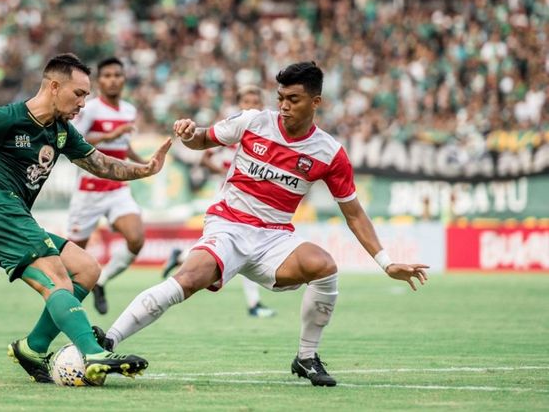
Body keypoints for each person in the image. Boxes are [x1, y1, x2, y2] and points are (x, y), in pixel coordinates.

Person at [96, 62, 428, 387]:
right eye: (280, 98)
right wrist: (188, 133)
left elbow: (353, 212)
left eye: (293, 100)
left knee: (324, 267)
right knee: (188, 278)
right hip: (229, 224)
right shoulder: (252, 121)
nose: (283, 106)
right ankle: (107, 342)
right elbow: (203, 139)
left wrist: (386, 263)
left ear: (316, 103)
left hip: (274, 238)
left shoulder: (330, 153)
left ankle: (306, 357)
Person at [0, 53, 172, 385]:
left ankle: (33, 348)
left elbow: (101, 165)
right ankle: (92, 352)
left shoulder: (61, 131)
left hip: (15, 215)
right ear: (54, 86)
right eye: (79, 94)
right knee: (58, 280)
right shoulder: (6, 118)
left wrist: (144, 170)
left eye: (86, 96)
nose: (84, 103)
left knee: (87, 269)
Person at [163, 85, 277, 318]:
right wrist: (225, 172)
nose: (252, 103)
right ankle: (254, 304)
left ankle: (182, 255)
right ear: (239, 103)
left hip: (250, 196)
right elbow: (205, 157)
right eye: (247, 100)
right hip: (230, 194)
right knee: (243, 243)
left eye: (256, 100)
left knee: (238, 245)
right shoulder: (234, 128)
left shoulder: (265, 131)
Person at [66, 57, 147, 315]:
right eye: (108, 75)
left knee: (136, 239)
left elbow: (123, 146)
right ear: (99, 81)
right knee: (73, 254)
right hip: (89, 191)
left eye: (117, 75)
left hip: (117, 189)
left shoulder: (129, 110)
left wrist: (143, 163)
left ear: (124, 79)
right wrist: (107, 136)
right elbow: (73, 139)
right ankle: (65, 305)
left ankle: (101, 281)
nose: (113, 80)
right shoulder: (89, 109)